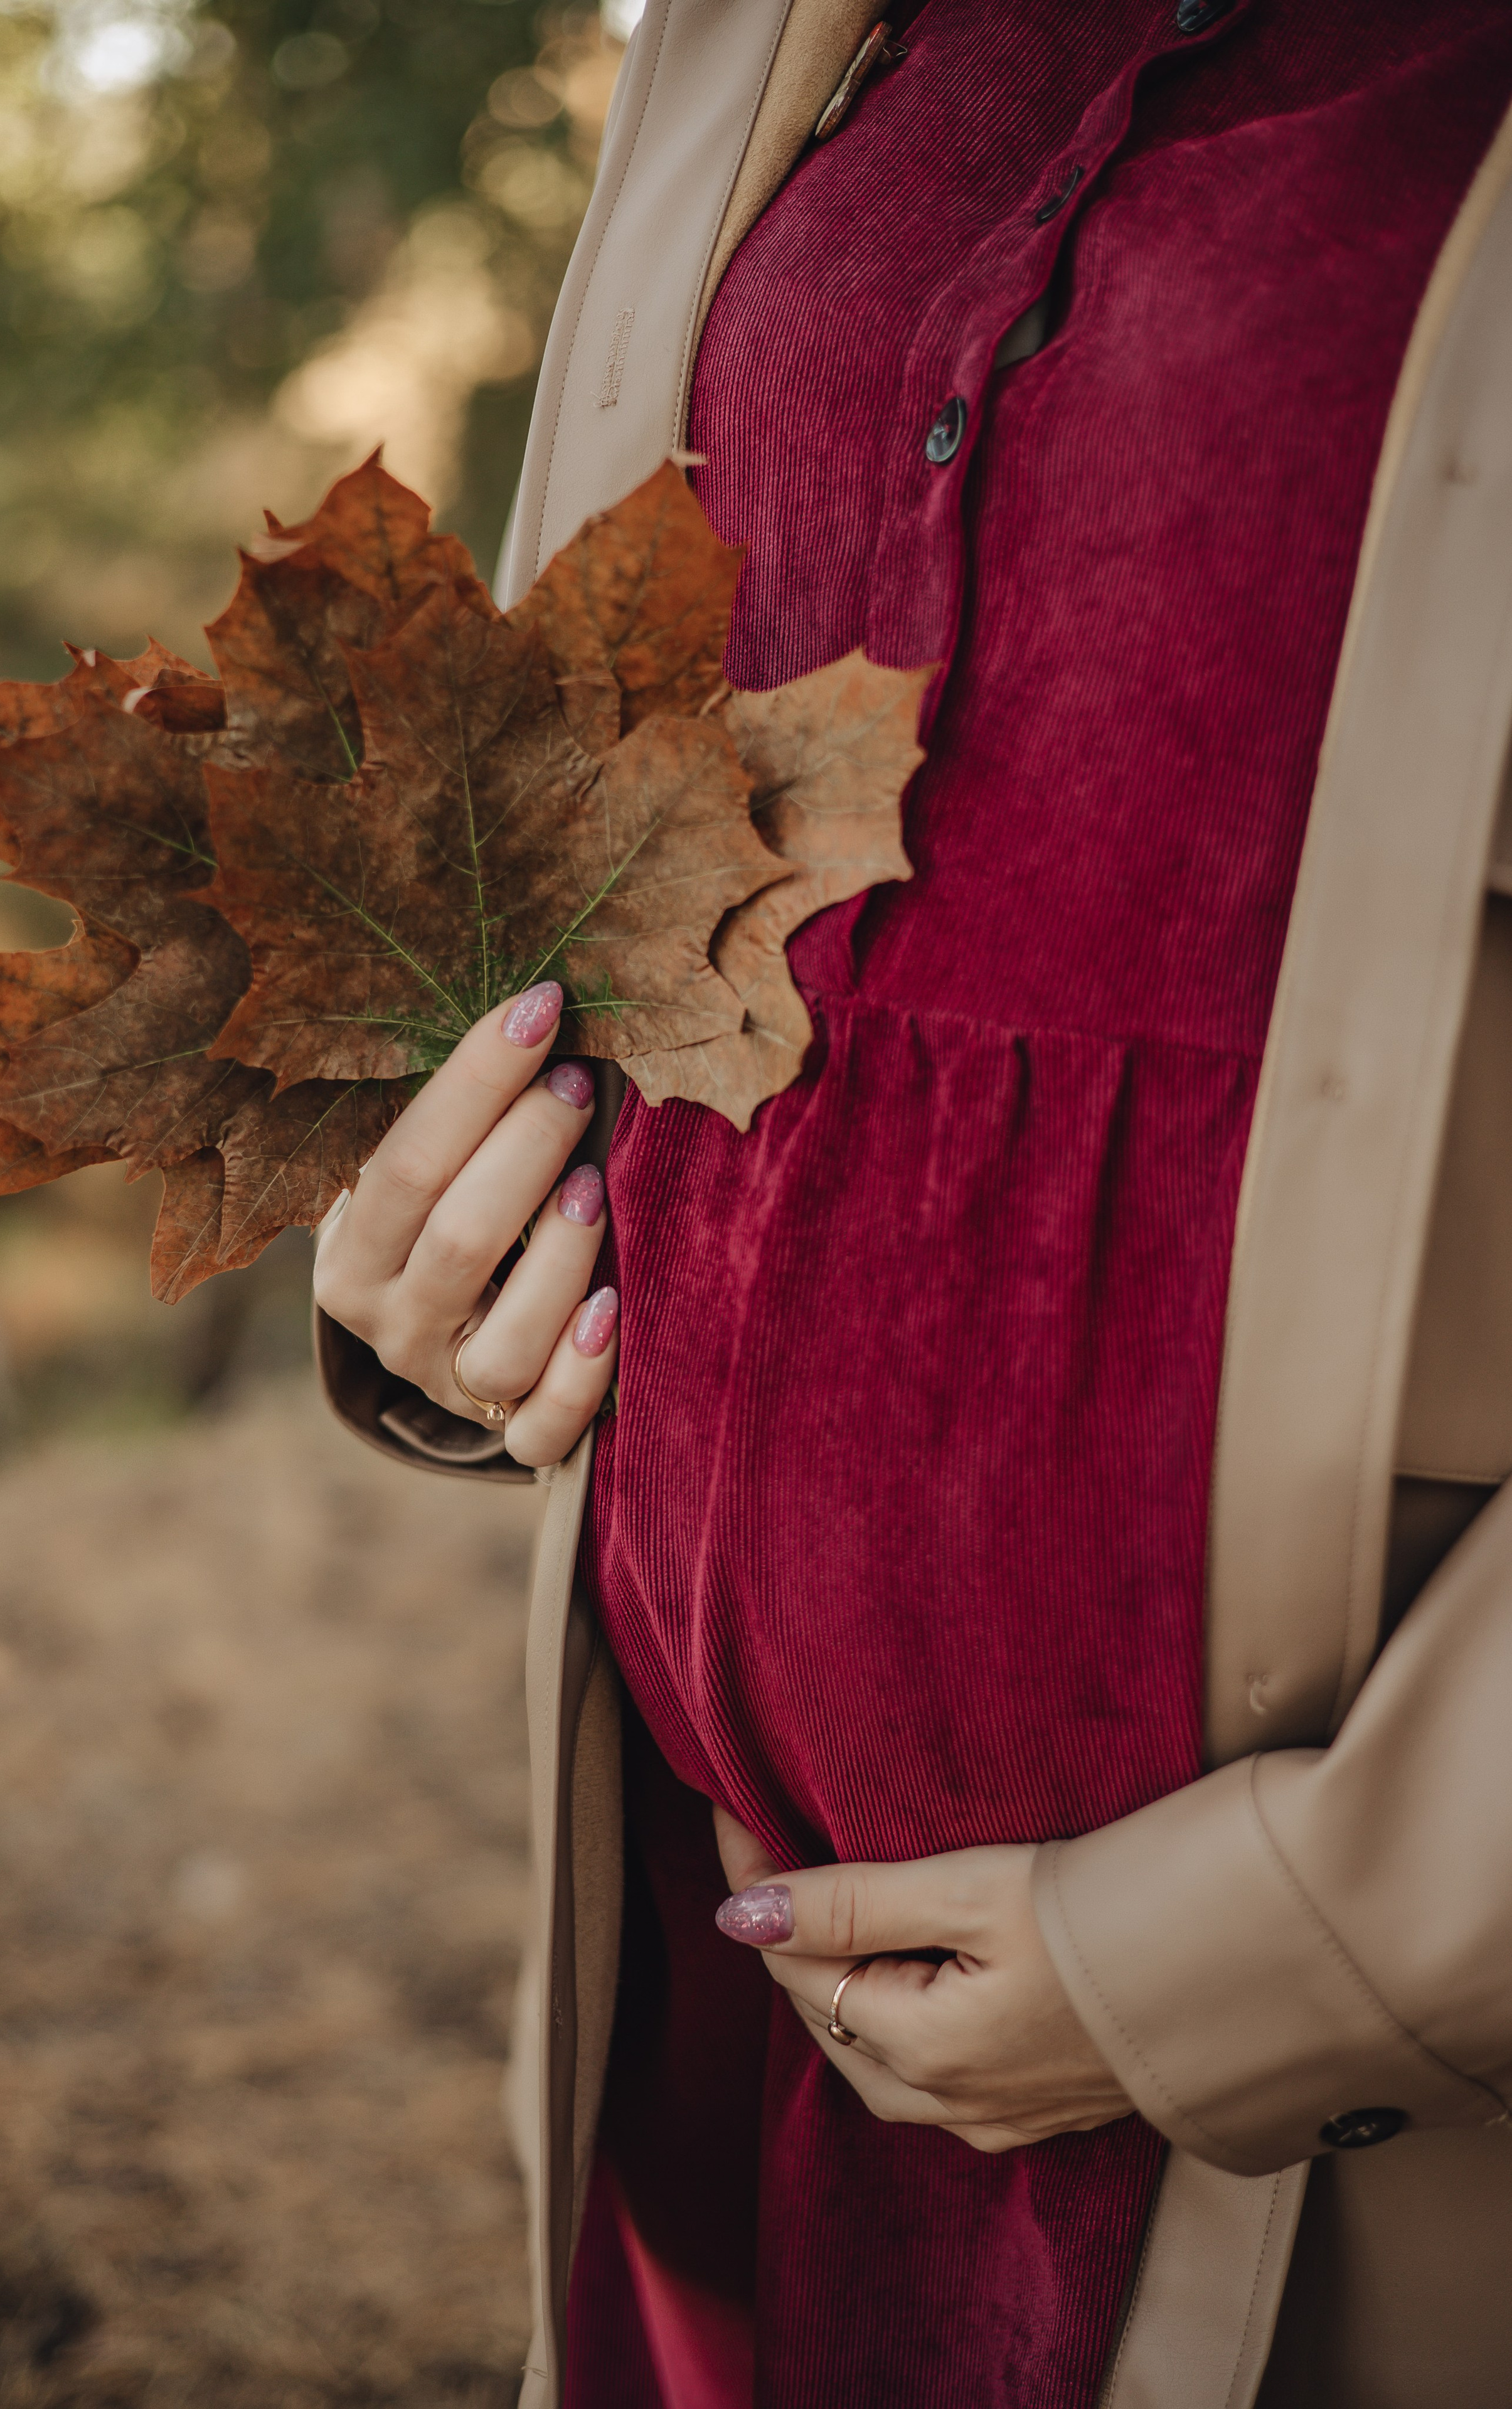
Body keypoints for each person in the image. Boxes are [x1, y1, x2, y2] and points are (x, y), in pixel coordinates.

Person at [312, 1, 1512, 2402]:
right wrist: (459, 1273)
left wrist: (1332, 1937)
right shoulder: (774, 40)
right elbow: (621, 851)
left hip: (1355, 2133)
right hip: (730, 2020)